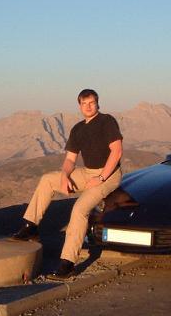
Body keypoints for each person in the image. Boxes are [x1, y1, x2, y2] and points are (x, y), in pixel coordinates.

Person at [11, 89, 123, 280]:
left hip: (109, 175)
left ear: (97, 103)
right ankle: (31, 226)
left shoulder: (107, 121)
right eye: (84, 103)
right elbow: (70, 159)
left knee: (79, 210)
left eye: (91, 103)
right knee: (48, 180)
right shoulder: (78, 129)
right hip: (87, 172)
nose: (88, 107)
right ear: (79, 106)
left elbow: (117, 151)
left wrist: (101, 178)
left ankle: (67, 263)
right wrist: (64, 176)